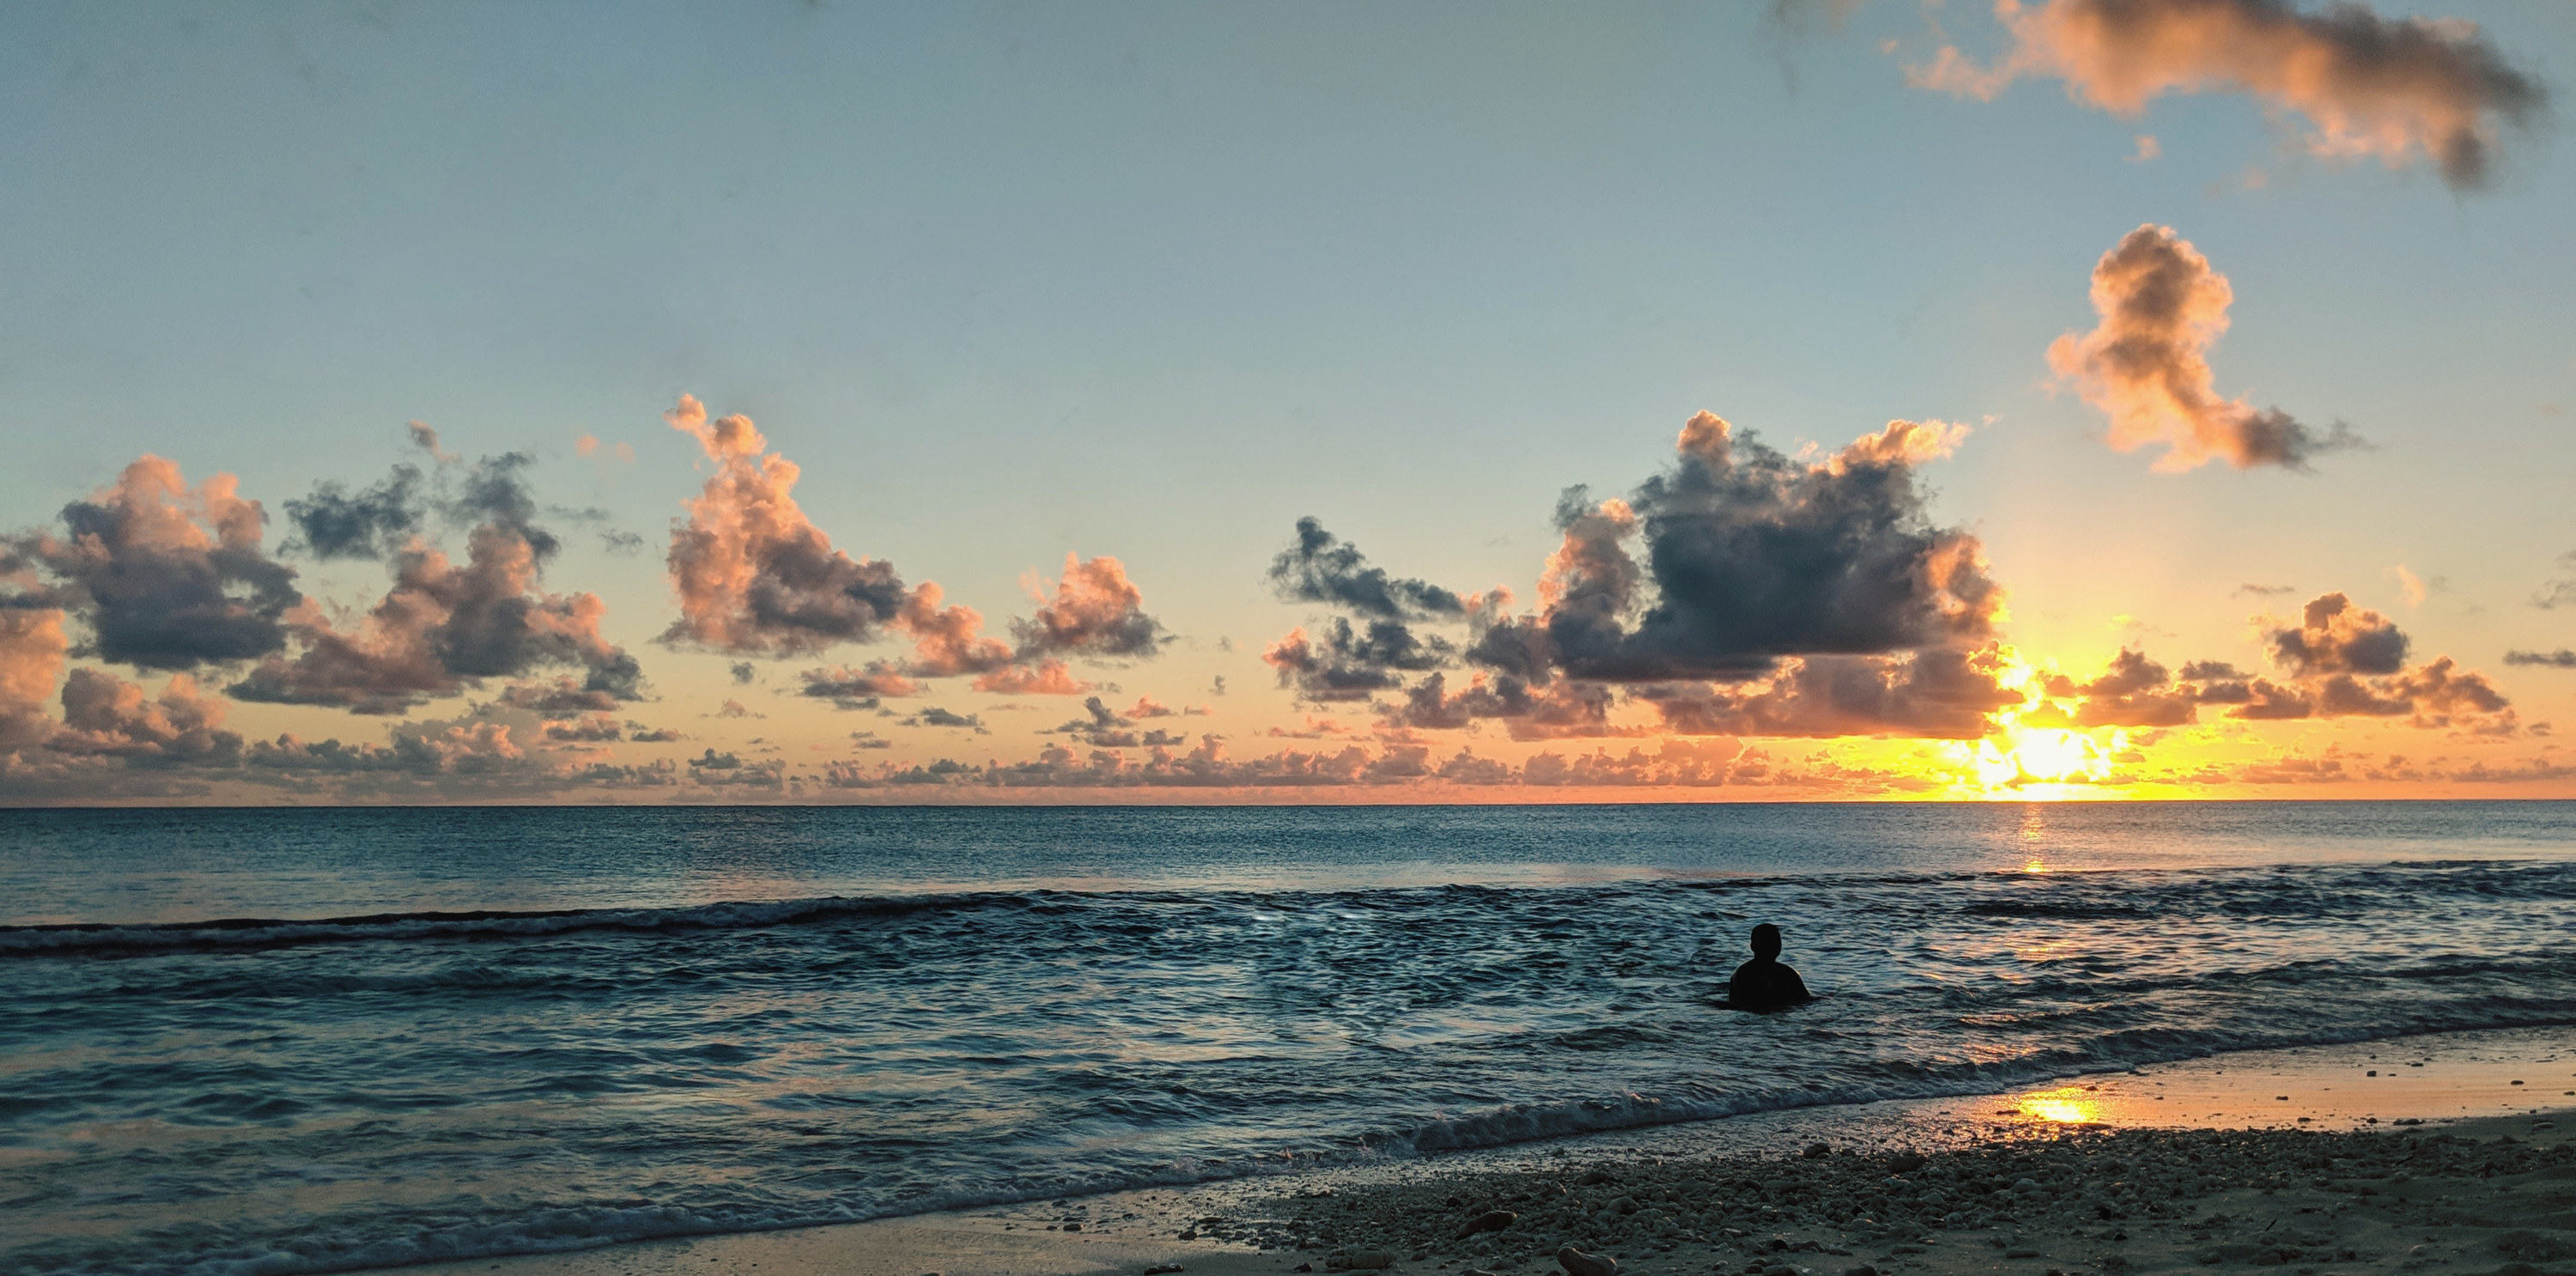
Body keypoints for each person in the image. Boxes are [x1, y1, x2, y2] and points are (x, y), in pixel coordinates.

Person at [1727, 923, 1812, 1011]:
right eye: (1767, 941)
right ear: (1753, 946)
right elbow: (1743, 1003)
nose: (1773, 944)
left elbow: (1805, 999)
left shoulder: (1788, 973)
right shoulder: (1743, 974)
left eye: (1777, 941)